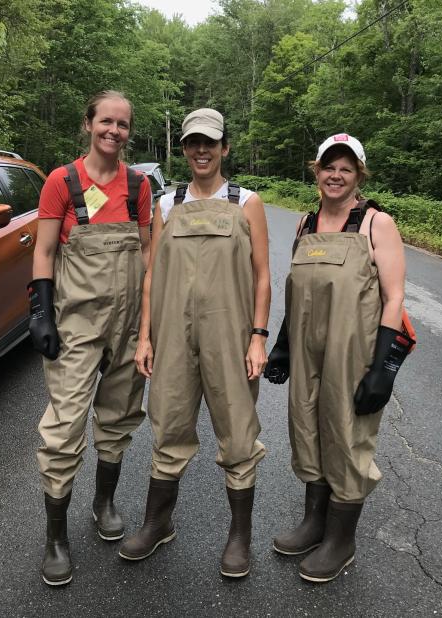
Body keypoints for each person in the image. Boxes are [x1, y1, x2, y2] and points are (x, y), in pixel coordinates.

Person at [118, 108, 270, 578]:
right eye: (192, 143)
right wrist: (145, 337)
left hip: (231, 336)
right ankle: (157, 522)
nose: (201, 151)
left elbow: (263, 276)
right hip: (173, 337)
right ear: (183, 150)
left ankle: (239, 536)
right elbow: (151, 277)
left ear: (225, 148)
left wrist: (258, 337)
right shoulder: (167, 204)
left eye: (210, 143)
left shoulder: (247, 202)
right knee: (169, 424)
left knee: (238, 431)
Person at [265, 134, 414, 583]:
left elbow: (395, 297)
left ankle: (341, 540)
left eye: (346, 168)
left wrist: (382, 370)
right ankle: (315, 523)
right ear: (317, 171)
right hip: (307, 349)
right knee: (307, 428)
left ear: (358, 175)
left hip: (355, 353)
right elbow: (298, 294)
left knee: (347, 436)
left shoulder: (375, 224)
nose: (336, 175)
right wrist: (284, 345)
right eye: (329, 166)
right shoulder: (305, 225)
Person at [28, 90, 152, 586]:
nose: (114, 132)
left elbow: (147, 257)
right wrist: (41, 312)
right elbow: (42, 252)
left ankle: (103, 502)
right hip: (76, 323)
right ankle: (56, 537)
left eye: (122, 125)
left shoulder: (138, 185)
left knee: (119, 416)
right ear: (88, 124)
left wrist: (147, 327)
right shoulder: (62, 181)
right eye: (106, 122)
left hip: (127, 327)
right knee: (63, 426)